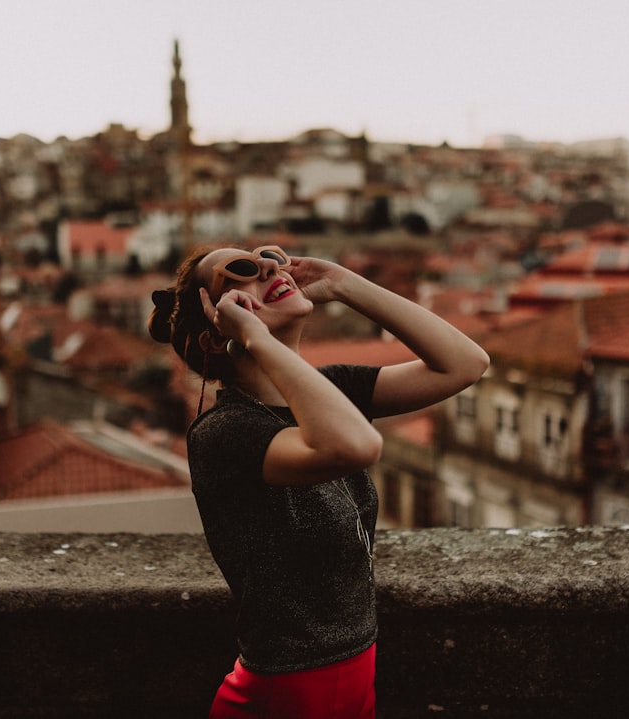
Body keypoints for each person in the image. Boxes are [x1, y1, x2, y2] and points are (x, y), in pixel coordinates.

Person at [148, 244, 489, 718]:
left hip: (354, 677)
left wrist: (345, 285)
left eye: (269, 256)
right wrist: (255, 340)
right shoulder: (225, 434)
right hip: (286, 694)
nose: (269, 266)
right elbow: (357, 446)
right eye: (241, 272)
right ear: (217, 333)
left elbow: (466, 364)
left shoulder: (327, 391)